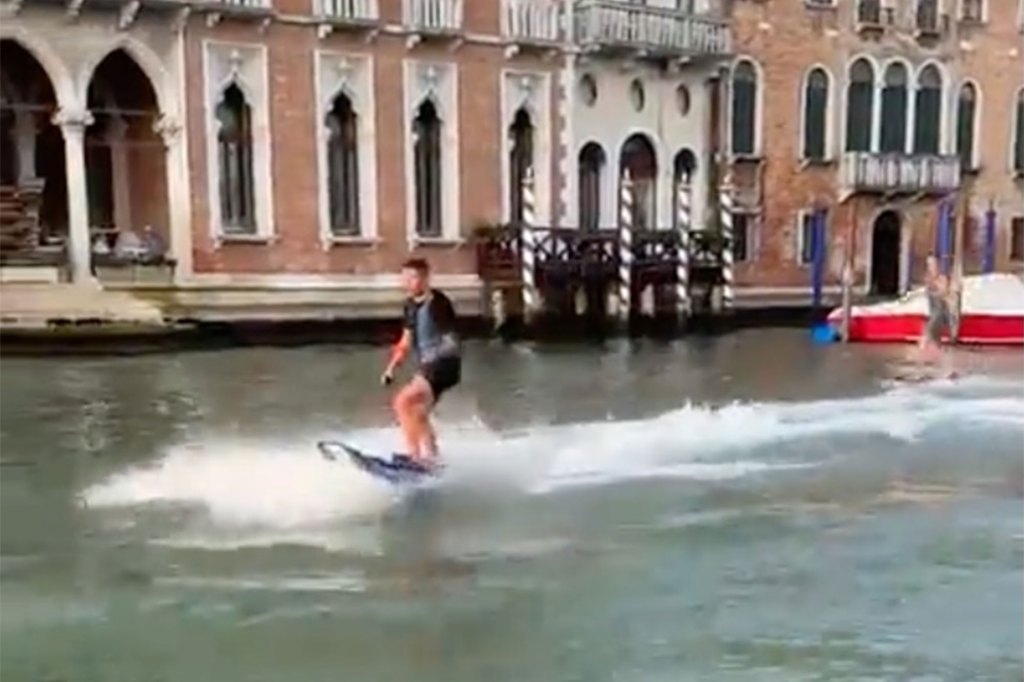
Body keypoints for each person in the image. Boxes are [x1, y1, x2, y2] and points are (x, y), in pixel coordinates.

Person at [380, 258, 461, 467]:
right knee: (418, 413)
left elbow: (451, 339)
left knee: (403, 401)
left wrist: (439, 354)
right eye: (404, 278)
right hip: (428, 366)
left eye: (413, 277)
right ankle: (433, 459)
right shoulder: (409, 306)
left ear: (425, 279)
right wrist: (390, 369)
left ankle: (414, 457)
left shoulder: (438, 303)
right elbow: (405, 342)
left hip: (445, 364)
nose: (407, 282)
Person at [917, 254, 956, 376]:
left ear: (937, 265)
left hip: (941, 313)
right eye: (929, 265)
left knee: (925, 338)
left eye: (933, 264)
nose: (931, 267)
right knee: (935, 342)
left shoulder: (942, 279)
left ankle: (921, 366)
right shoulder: (927, 279)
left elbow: (945, 294)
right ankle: (944, 369)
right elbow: (927, 295)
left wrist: (938, 289)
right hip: (933, 312)